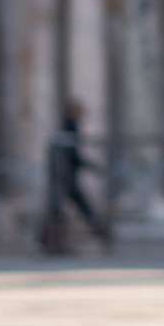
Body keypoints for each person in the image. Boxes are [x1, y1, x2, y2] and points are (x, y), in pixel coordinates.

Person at [42, 99, 111, 254]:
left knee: (66, 209)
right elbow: (72, 155)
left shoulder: (69, 126)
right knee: (63, 210)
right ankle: (51, 243)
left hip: (65, 176)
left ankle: (52, 243)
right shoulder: (69, 127)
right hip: (64, 177)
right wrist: (91, 167)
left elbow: (73, 155)